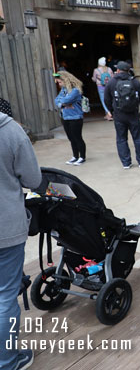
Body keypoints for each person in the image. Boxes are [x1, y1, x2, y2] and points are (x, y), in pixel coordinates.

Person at [0, 111, 41, 370]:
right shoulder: (10, 130)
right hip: (5, 228)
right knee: (4, 298)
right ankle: (7, 362)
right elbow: (33, 180)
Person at [104, 61, 140, 169]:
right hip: (133, 115)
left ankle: (126, 163)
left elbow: (106, 99)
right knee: (137, 138)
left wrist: (112, 111)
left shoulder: (111, 82)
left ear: (118, 70)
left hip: (119, 115)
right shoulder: (134, 82)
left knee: (121, 139)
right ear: (128, 70)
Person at [54, 71, 86, 165]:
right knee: (71, 138)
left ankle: (82, 157)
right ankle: (75, 156)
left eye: (60, 82)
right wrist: (62, 104)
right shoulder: (64, 90)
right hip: (65, 117)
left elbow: (66, 100)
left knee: (77, 137)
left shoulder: (75, 90)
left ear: (65, 80)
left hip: (75, 117)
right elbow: (57, 100)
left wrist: (62, 103)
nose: (59, 84)